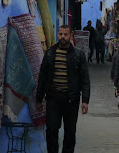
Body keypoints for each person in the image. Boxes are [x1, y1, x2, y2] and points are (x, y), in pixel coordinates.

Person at [36, 25, 90, 153]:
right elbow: (42, 77)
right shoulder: (50, 53)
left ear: (70, 35)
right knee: (51, 130)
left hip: (71, 100)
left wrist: (85, 101)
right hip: (53, 99)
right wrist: (38, 99)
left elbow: (85, 79)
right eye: (60, 34)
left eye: (65, 34)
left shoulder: (78, 55)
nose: (62, 37)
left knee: (70, 132)